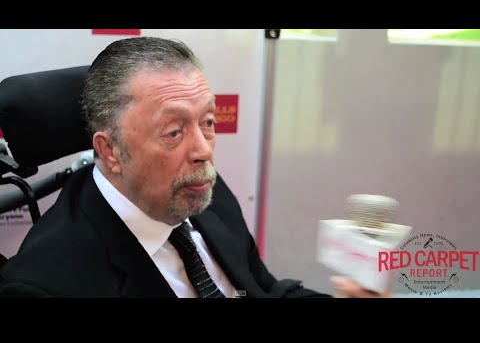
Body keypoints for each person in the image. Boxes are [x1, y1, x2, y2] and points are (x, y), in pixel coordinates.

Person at [0, 37, 384, 298]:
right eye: (173, 132)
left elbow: (261, 288)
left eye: (209, 123)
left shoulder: (198, 190)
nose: (203, 151)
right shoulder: (47, 284)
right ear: (110, 150)